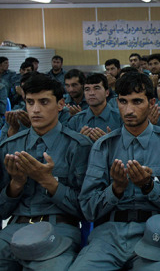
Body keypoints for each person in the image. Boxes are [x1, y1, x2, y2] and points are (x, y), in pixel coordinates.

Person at [71, 72, 160, 270]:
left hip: (155, 234)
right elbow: (88, 209)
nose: (129, 110)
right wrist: (116, 189)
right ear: (116, 102)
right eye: (123, 101)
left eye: (137, 101)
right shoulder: (104, 146)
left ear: (151, 103)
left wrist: (149, 186)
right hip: (108, 235)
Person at [0, 74, 93, 270]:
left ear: (60, 104)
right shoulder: (10, 146)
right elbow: (2, 210)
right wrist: (16, 184)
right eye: (30, 102)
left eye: (44, 102)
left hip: (58, 229)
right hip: (14, 228)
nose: (35, 110)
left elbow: (86, 209)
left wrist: (48, 182)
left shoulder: (78, 146)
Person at [67, 73, 122, 141]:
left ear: (107, 93)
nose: (91, 93)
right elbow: (68, 150)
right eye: (87, 89)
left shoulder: (120, 118)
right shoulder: (76, 121)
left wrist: (110, 143)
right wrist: (80, 142)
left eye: (96, 88)